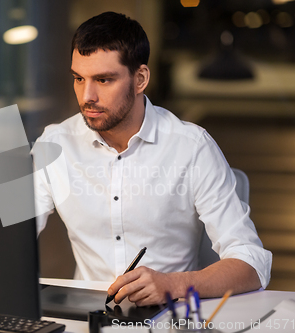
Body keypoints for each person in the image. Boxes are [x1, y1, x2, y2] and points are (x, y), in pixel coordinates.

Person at [33, 11, 272, 306]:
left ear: (141, 78)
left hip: (170, 315)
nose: (87, 96)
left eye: (104, 80)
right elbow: (6, 237)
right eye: (79, 78)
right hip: (87, 316)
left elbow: (253, 263)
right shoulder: (54, 143)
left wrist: (174, 284)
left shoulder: (192, 147)